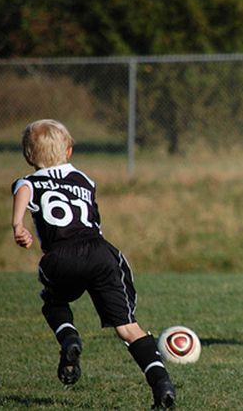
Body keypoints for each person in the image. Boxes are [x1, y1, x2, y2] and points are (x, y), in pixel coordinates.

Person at [11, 120, 176, 409]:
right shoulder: (85, 180)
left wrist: (17, 224)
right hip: (100, 254)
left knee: (54, 302)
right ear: (70, 151)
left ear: (28, 156)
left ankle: (69, 338)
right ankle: (162, 384)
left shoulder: (29, 182)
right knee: (127, 327)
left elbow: (24, 189)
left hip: (60, 257)